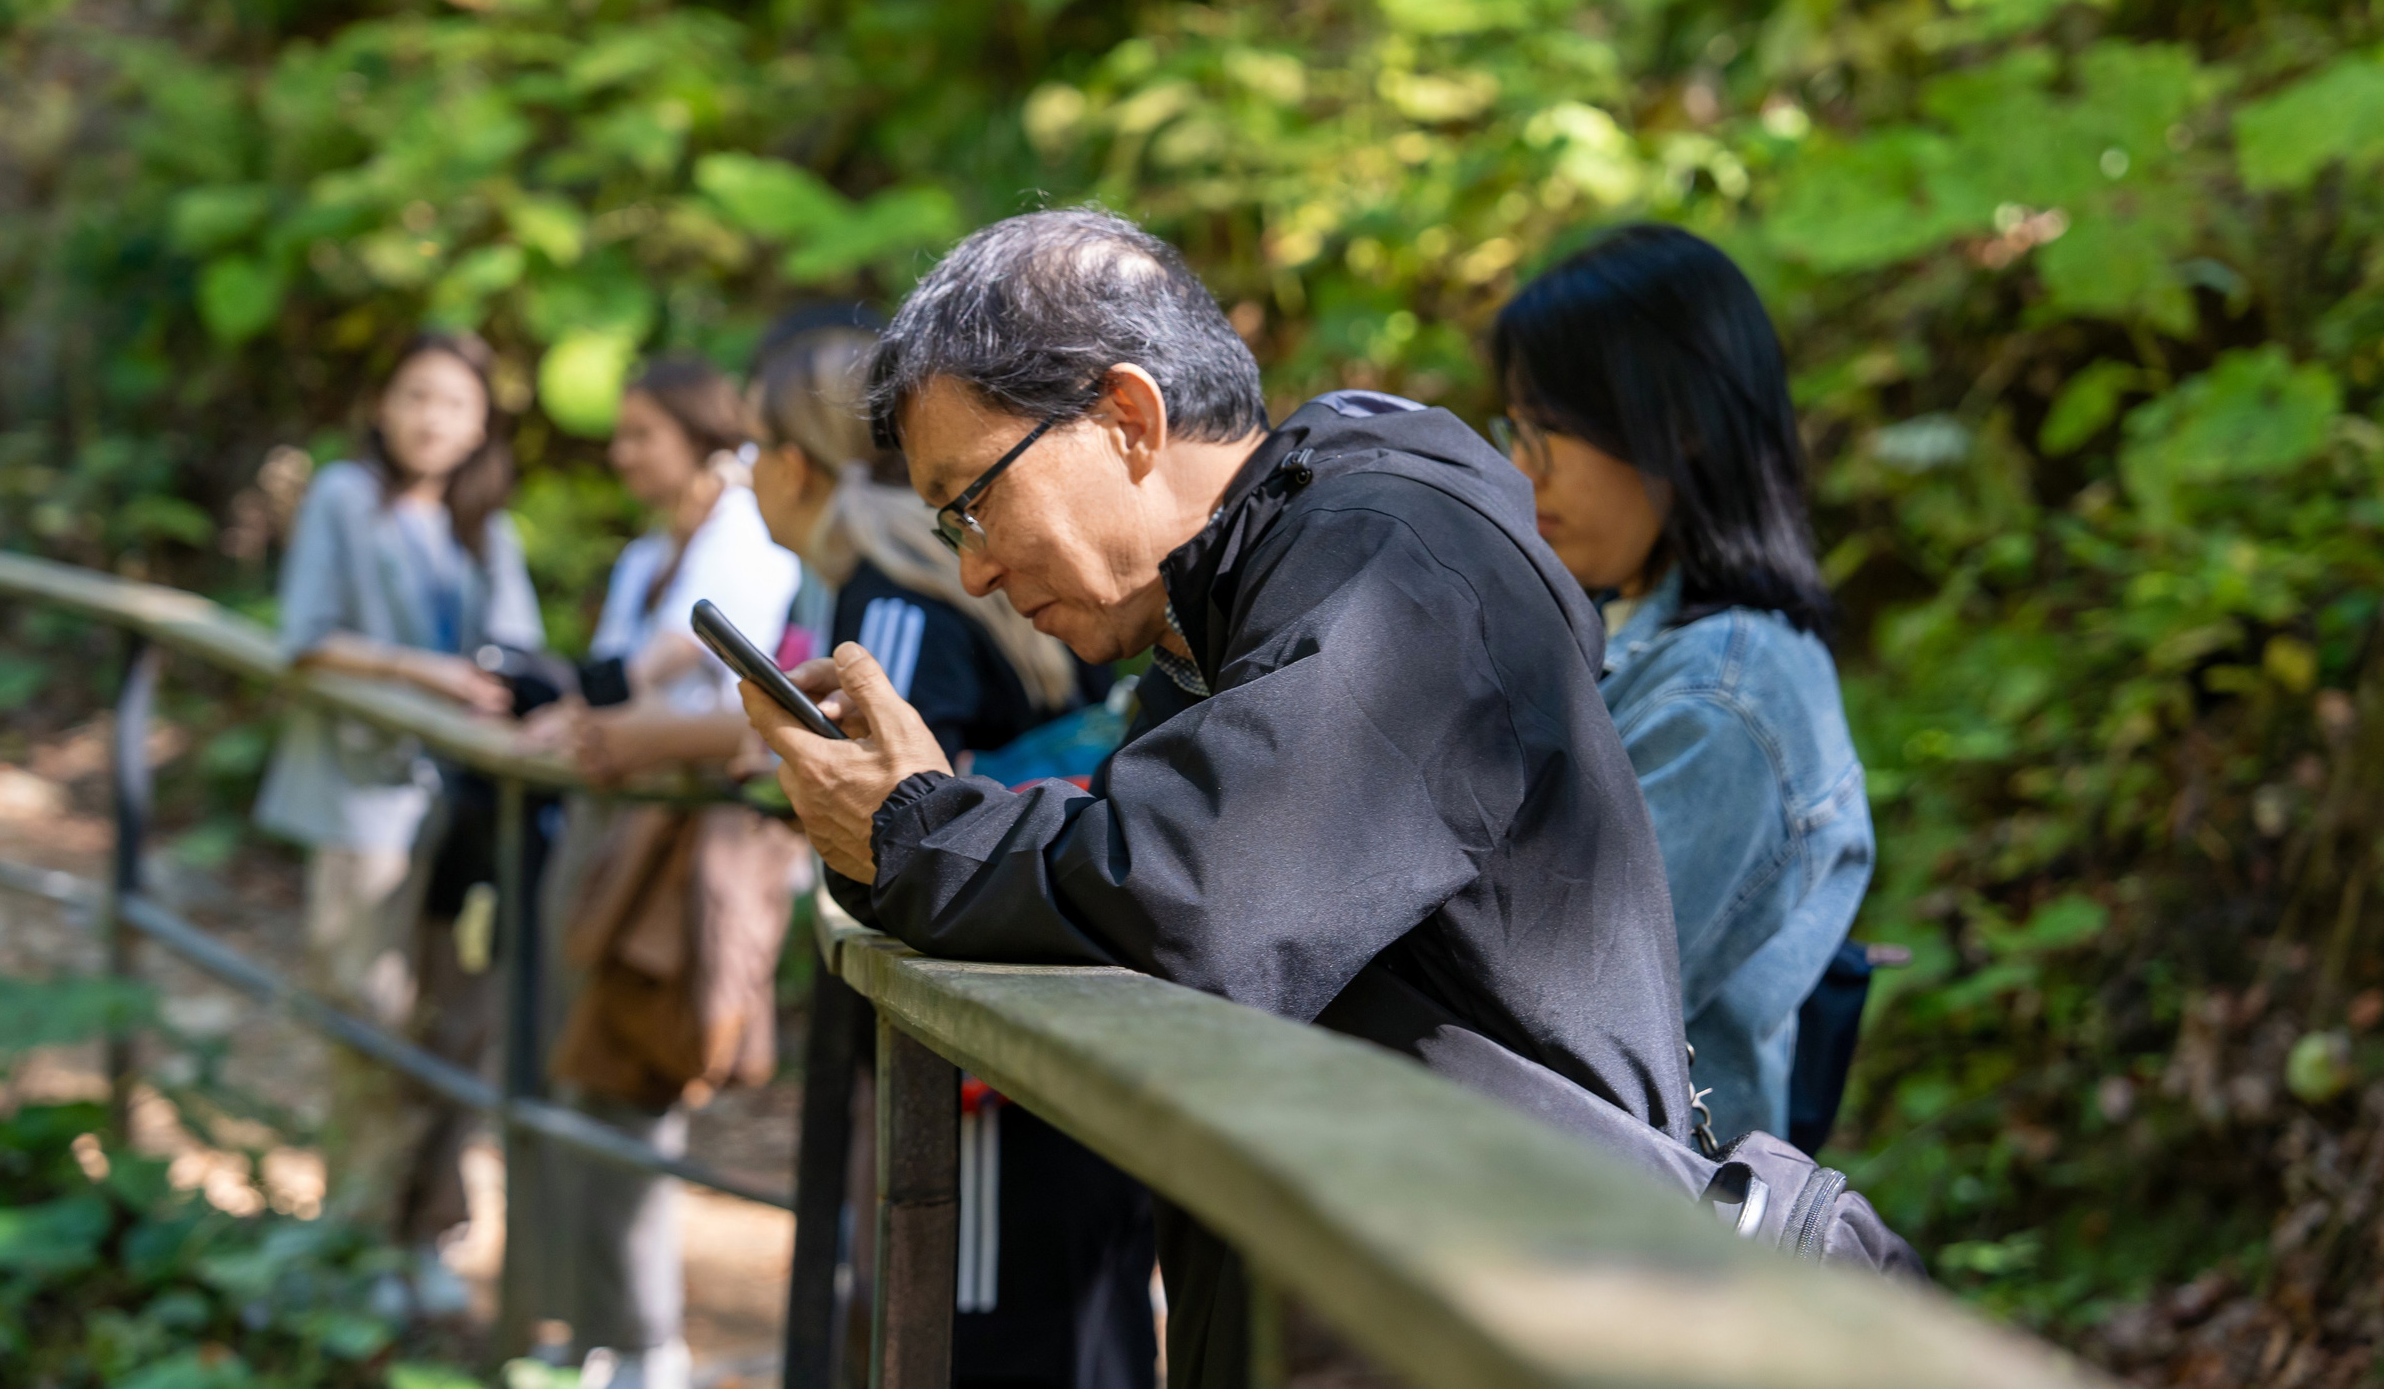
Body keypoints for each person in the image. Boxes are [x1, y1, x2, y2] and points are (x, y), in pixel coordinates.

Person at [732, 207, 1695, 1388]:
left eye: (974, 502)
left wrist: (914, 831)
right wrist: (904, 823)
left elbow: (1200, 891)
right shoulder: (1230, 596)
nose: (974, 569)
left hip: (1499, 1298)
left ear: (1127, 418)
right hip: (1384, 1277)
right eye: (947, 526)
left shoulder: (1396, 559)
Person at [746, 326, 1153, 1389]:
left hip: (996, 1048)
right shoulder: (979, 561)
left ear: (795, 463)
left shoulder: (884, 592)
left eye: (749, 446)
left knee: (993, 1328)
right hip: (1085, 984)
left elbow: (915, 789)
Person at [1489, 223, 1875, 1149]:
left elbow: (1548, 1008)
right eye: (1514, 427)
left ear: (1683, 429)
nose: (1518, 468)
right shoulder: (1610, 630)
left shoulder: (1723, 702)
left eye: (1551, 430)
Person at [523, 356, 806, 1389]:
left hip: (687, 845)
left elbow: (673, 688)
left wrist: (602, 730)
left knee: (634, 1074)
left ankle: (645, 1344)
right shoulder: (655, 548)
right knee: (585, 1070)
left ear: (700, 437)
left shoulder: (745, 544)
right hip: (617, 832)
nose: (621, 452)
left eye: (641, 432)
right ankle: (604, 1329)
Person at [254, 331, 541, 1260]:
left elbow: (517, 652)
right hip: (360, 799)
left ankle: (433, 1236)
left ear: (480, 425)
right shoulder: (345, 496)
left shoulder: (483, 526)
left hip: (461, 812)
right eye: (415, 395)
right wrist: (430, 675)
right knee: (367, 1020)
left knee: (459, 1023)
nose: (431, 418)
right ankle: (356, 1240)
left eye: (454, 403)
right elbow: (307, 638)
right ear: (382, 404)